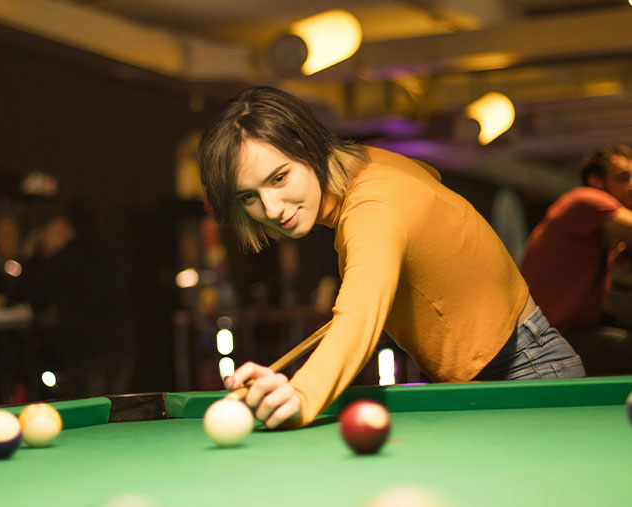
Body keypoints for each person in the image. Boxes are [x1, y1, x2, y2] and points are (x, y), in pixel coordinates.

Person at [197, 86, 585, 429]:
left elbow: (359, 313)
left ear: (307, 148)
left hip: (526, 370)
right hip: (485, 377)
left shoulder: (372, 207)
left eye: (279, 178)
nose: (272, 207)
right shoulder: (368, 162)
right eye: (249, 197)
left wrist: (301, 394)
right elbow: (428, 177)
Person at [520, 145, 632, 376]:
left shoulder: (598, 230)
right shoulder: (585, 199)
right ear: (596, 182)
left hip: (568, 333)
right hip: (548, 343)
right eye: (624, 177)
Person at [12, 201, 134, 398]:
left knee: (93, 412)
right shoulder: (110, 251)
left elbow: (34, 297)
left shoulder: (65, 255)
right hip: (120, 341)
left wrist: (42, 253)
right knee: (117, 408)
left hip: (86, 347)